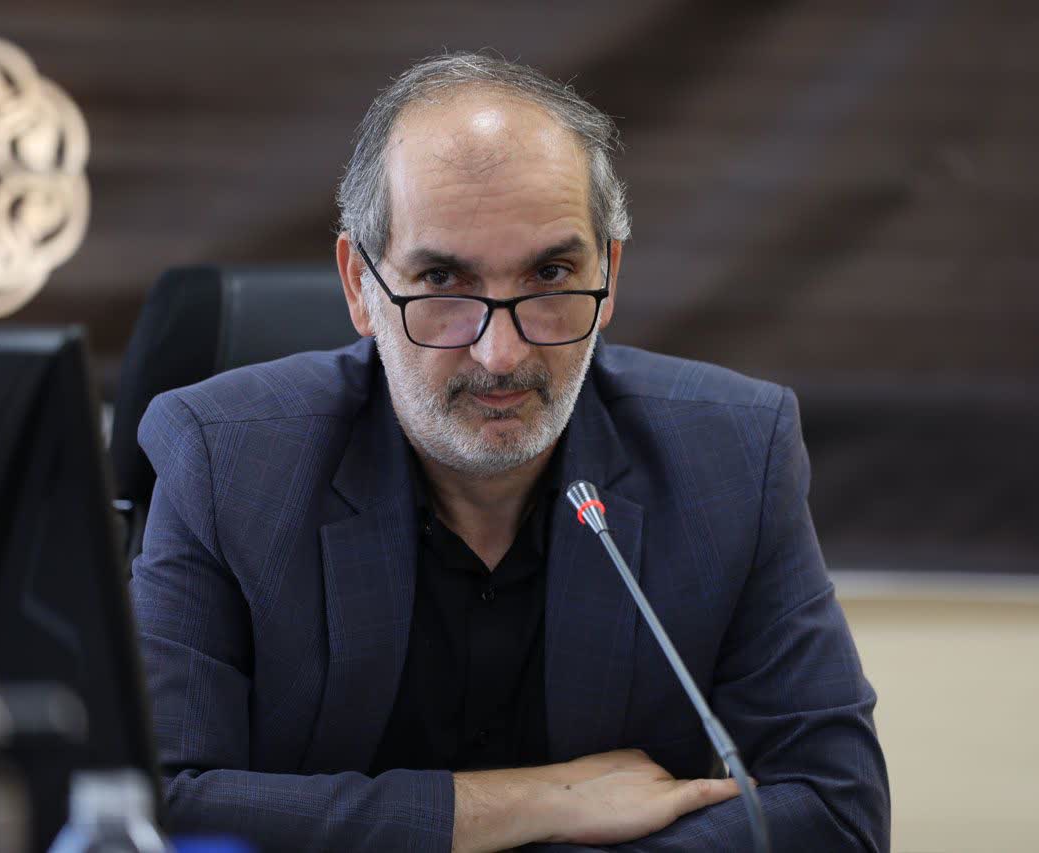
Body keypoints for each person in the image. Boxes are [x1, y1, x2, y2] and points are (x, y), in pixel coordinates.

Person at [131, 52, 889, 852]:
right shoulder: (226, 460)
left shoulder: (731, 454)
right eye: (443, 280)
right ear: (359, 284)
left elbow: (837, 807)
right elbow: (154, 802)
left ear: (610, 273)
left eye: (551, 274)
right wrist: (530, 803)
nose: (501, 354)